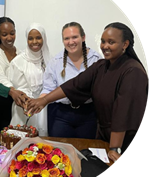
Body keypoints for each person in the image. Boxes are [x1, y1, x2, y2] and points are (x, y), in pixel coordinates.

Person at [27, 22, 149, 163]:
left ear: (125, 44)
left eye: (111, 42)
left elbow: (122, 112)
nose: (105, 46)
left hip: (123, 140)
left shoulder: (132, 71)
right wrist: (44, 100)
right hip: (104, 134)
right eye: (103, 41)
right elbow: (75, 84)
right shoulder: (102, 65)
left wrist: (115, 147)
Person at [41, 22, 101, 138]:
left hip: (88, 114)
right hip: (60, 115)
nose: (71, 42)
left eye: (74, 37)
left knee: (85, 152)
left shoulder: (96, 59)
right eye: (66, 38)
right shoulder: (55, 62)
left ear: (83, 38)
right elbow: (48, 88)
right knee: (59, 152)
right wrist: (37, 102)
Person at [8, 23, 51, 136]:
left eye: (38, 37)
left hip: (43, 107)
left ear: (44, 38)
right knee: (20, 140)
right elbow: (17, 87)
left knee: (41, 145)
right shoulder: (18, 62)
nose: (34, 42)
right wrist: (29, 102)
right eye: (30, 38)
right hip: (24, 107)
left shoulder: (49, 60)